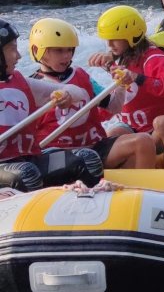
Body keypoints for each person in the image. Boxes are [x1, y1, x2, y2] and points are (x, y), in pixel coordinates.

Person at [29, 17, 157, 170]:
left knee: (144, 141)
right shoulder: (30, 87)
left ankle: (141, 190)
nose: (67, 56)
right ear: (38, 51)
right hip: (59, 155)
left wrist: (121, 84)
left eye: (69, 49)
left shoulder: (81, 75)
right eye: (59, 50)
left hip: (96, 147)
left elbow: (114, 107)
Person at [0, 18, 100, 192]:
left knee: (86, 159)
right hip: (8, 169)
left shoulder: (22, 82)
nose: (19, 56)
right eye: (12, 49)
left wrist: (66, 95)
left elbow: (78, 93)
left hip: (29, 160)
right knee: (27, 174)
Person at [87, 5, 164, 169]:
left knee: (162, 122)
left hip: (156, 131)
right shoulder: (120, 60)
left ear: (131, 37)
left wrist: (138, 78)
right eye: (107, 39)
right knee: (109, 137)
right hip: (130, 127)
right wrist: (89, 120)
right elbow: (119, 100)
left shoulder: (155, 58)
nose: (109, 44)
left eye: (115, 39)